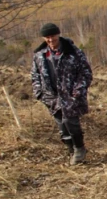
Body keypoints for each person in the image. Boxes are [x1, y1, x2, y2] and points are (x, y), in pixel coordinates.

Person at [31, 23, 93, 165]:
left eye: (53, 36)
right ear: (43, 38)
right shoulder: (40, 55)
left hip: (71, 96)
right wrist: (39, 93)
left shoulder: (73, 52)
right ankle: (71, 150)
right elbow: (35, 75)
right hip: (51, 97)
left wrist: (77, 92)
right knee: (62, 127)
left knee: (71, 122)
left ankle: (79, 149)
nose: (51, 39)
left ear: (58, 34)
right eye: (47, 37)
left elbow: (86, 73)